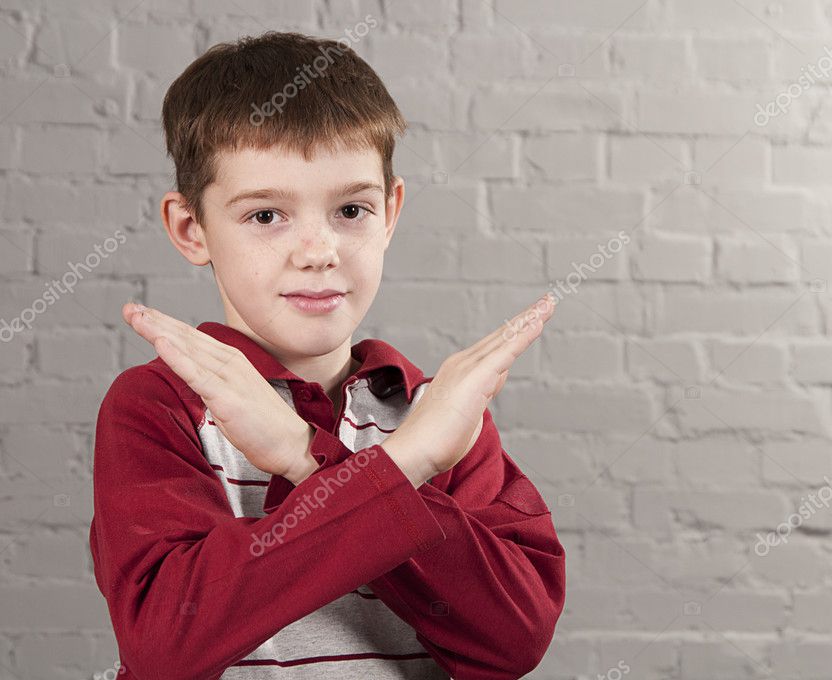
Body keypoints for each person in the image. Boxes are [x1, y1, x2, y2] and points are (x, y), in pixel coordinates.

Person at [88, 31, 565, 679]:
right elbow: (166, 644)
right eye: (265, 217)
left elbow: (511, 639)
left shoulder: (436, 416)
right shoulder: (158, 405)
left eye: (350, 209)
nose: (318, 251)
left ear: (390, 212)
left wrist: (308, 460)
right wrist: (401, 468)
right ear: (190, 228)